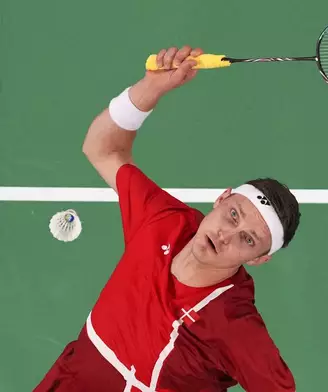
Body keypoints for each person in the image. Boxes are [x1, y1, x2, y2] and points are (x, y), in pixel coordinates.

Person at [34, 45, 301, 392]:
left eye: (248, 240)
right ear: (221, 198)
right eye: (233, 215)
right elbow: (102, 149)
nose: (225, 235)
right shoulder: (164, 221)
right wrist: (152, 88)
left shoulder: (234, 324)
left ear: (259, 259)